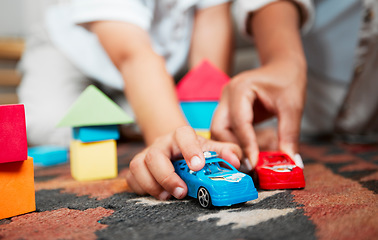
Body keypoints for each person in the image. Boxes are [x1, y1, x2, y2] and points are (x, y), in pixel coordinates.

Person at [18, 0, 243, 201]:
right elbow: (132, 56)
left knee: (166, 106)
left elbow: (207, 57)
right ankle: (125, 119)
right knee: (45, 123)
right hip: (73, 48)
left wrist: (210, 124)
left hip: (161, 58)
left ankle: (129, 113)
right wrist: (171, 137)